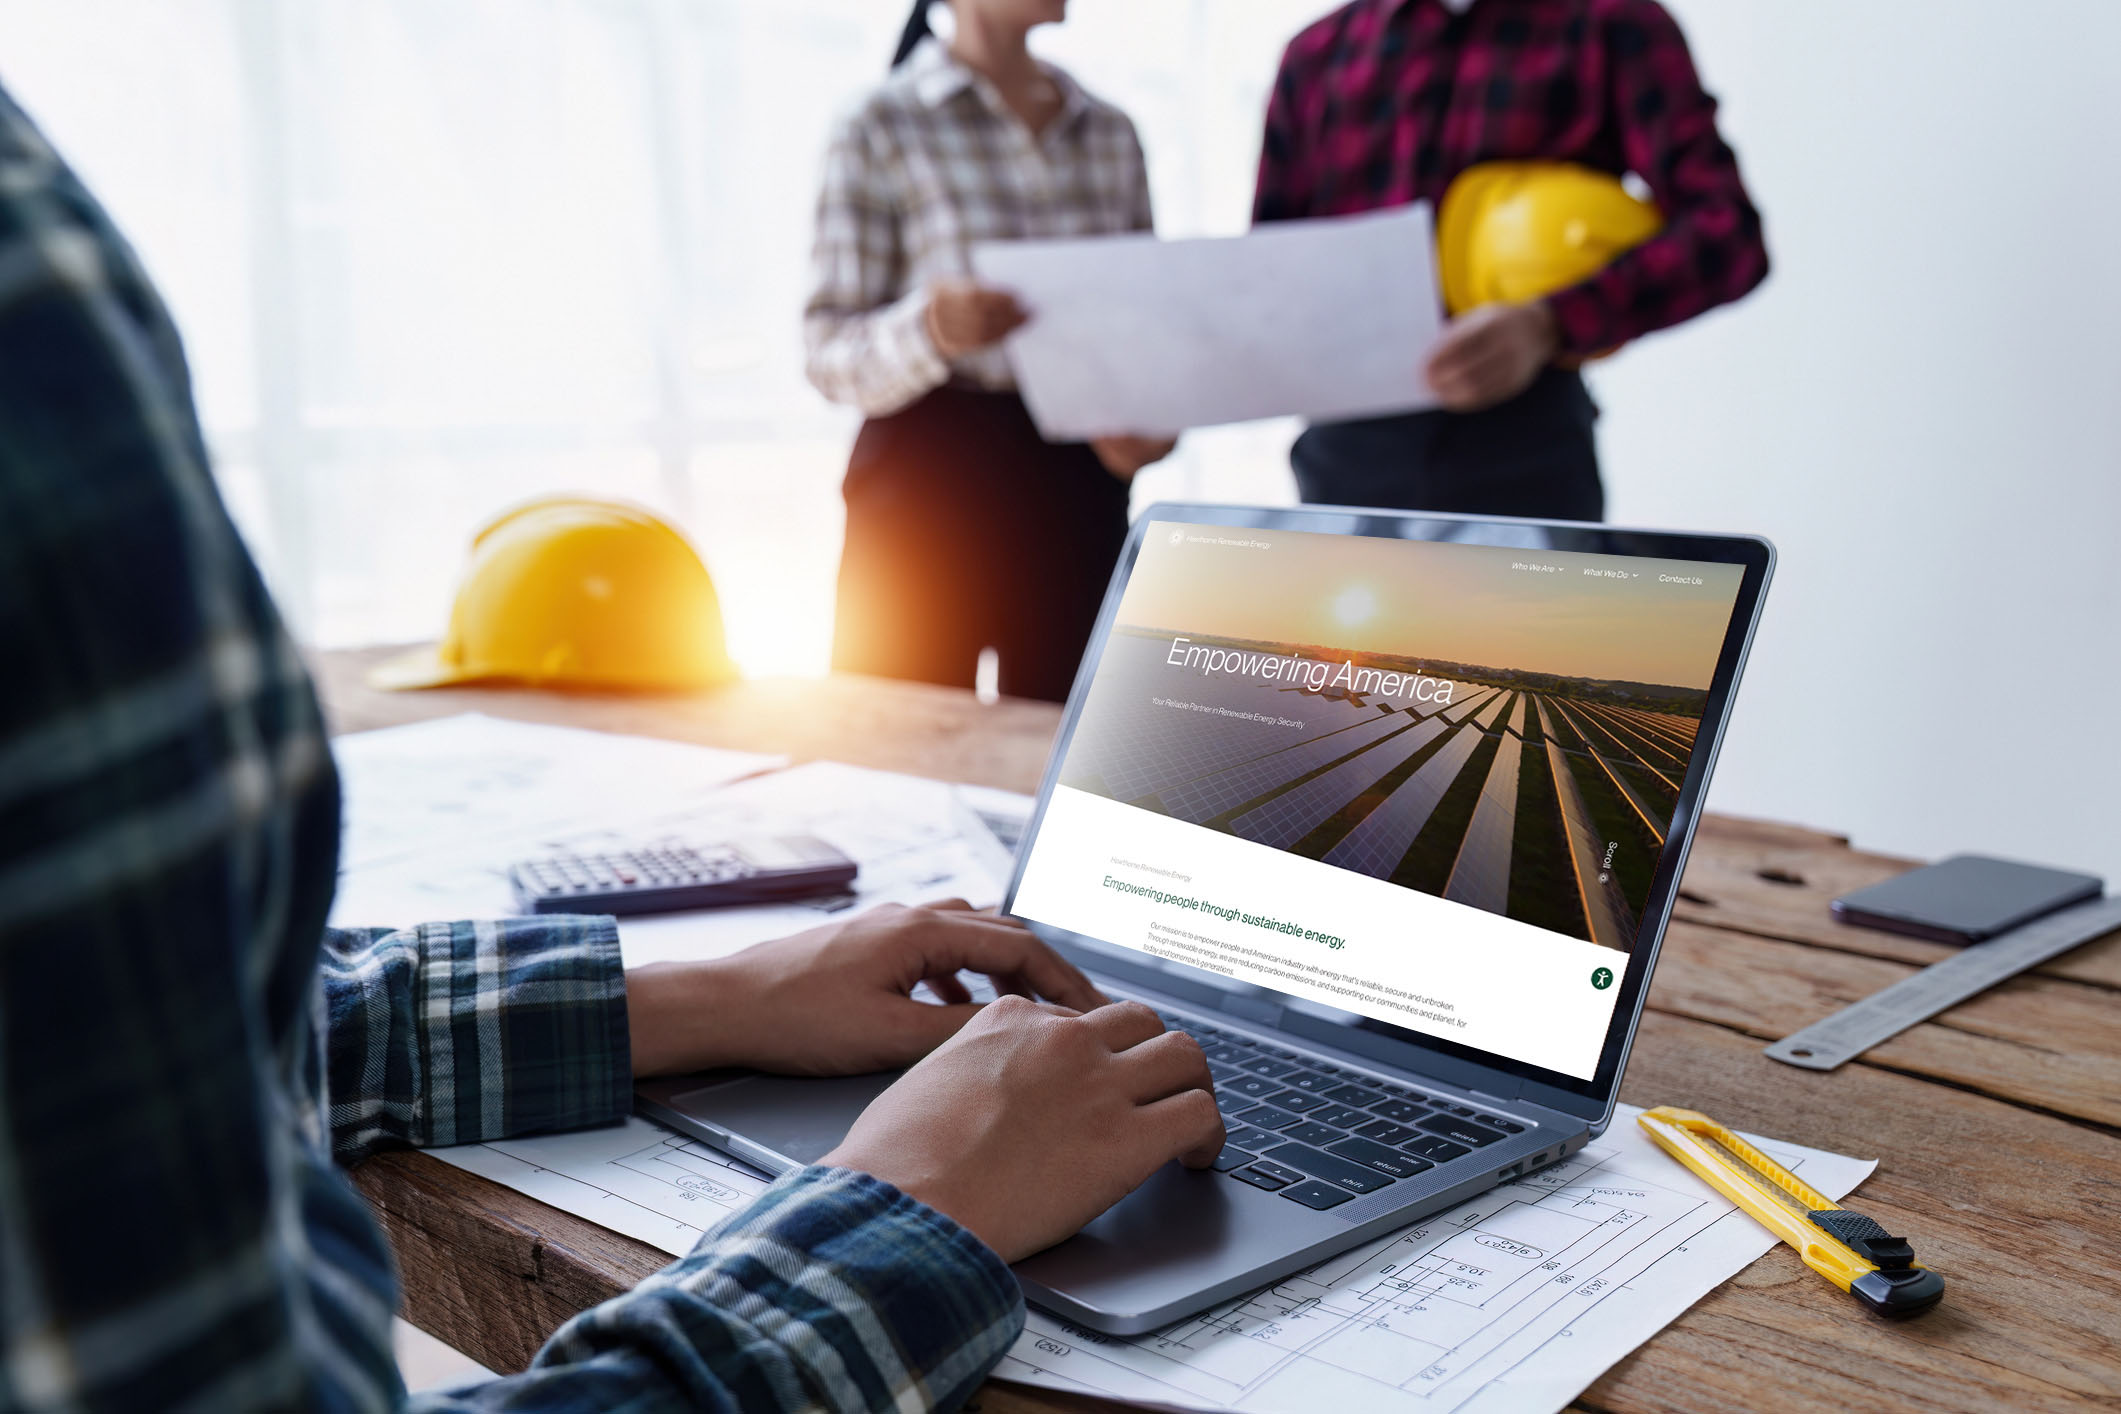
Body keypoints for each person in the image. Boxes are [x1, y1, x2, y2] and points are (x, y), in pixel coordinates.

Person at [0, 86, 1222, 1412]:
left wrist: (707, 996)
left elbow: (183, 1022)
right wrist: (901, 1217)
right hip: (934, 470)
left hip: (1068, 481)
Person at [1254, 0, 1770, 522]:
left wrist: (1550, 323)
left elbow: (1727, 234)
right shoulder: (1314, 58)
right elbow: (1265, 281)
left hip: (1528, 456)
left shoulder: (1610, 23)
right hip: (1344, 466)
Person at [804, 0, 1174, 703]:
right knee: (896, 743)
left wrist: (1150, 427)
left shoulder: (1110, 131)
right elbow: (825, 351)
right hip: (924, 474)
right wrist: (931, 328)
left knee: (1073, 741)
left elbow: (1139, 327)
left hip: (1078, 481)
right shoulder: (880, 123)